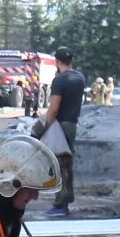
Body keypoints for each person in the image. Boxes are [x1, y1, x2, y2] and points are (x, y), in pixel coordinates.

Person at [35, 48, 88, 217]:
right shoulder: (79, 78)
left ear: (57, 62)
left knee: (59, 164)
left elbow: (53, 109)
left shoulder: (59, 80)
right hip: (72, 123)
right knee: (67, 162)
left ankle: (61, 204)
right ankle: (65, 200)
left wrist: (40, 129)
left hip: (60, 126)